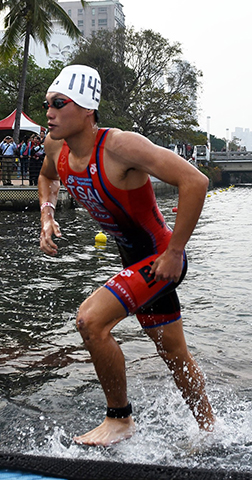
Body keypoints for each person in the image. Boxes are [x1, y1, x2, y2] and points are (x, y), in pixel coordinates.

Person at [38, 65, 215, 446]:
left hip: (160, 262)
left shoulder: (120, 146)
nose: (48, 112)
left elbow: (195, 181)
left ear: (86, 110)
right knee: (173, 353)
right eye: (46, 104)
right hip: (134, 262)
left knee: (90, 320)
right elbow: (46, 177)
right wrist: (47, 215)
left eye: (58, 103)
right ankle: (210, 429)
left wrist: (175, 251)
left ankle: (119, 419)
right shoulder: (58, 148)